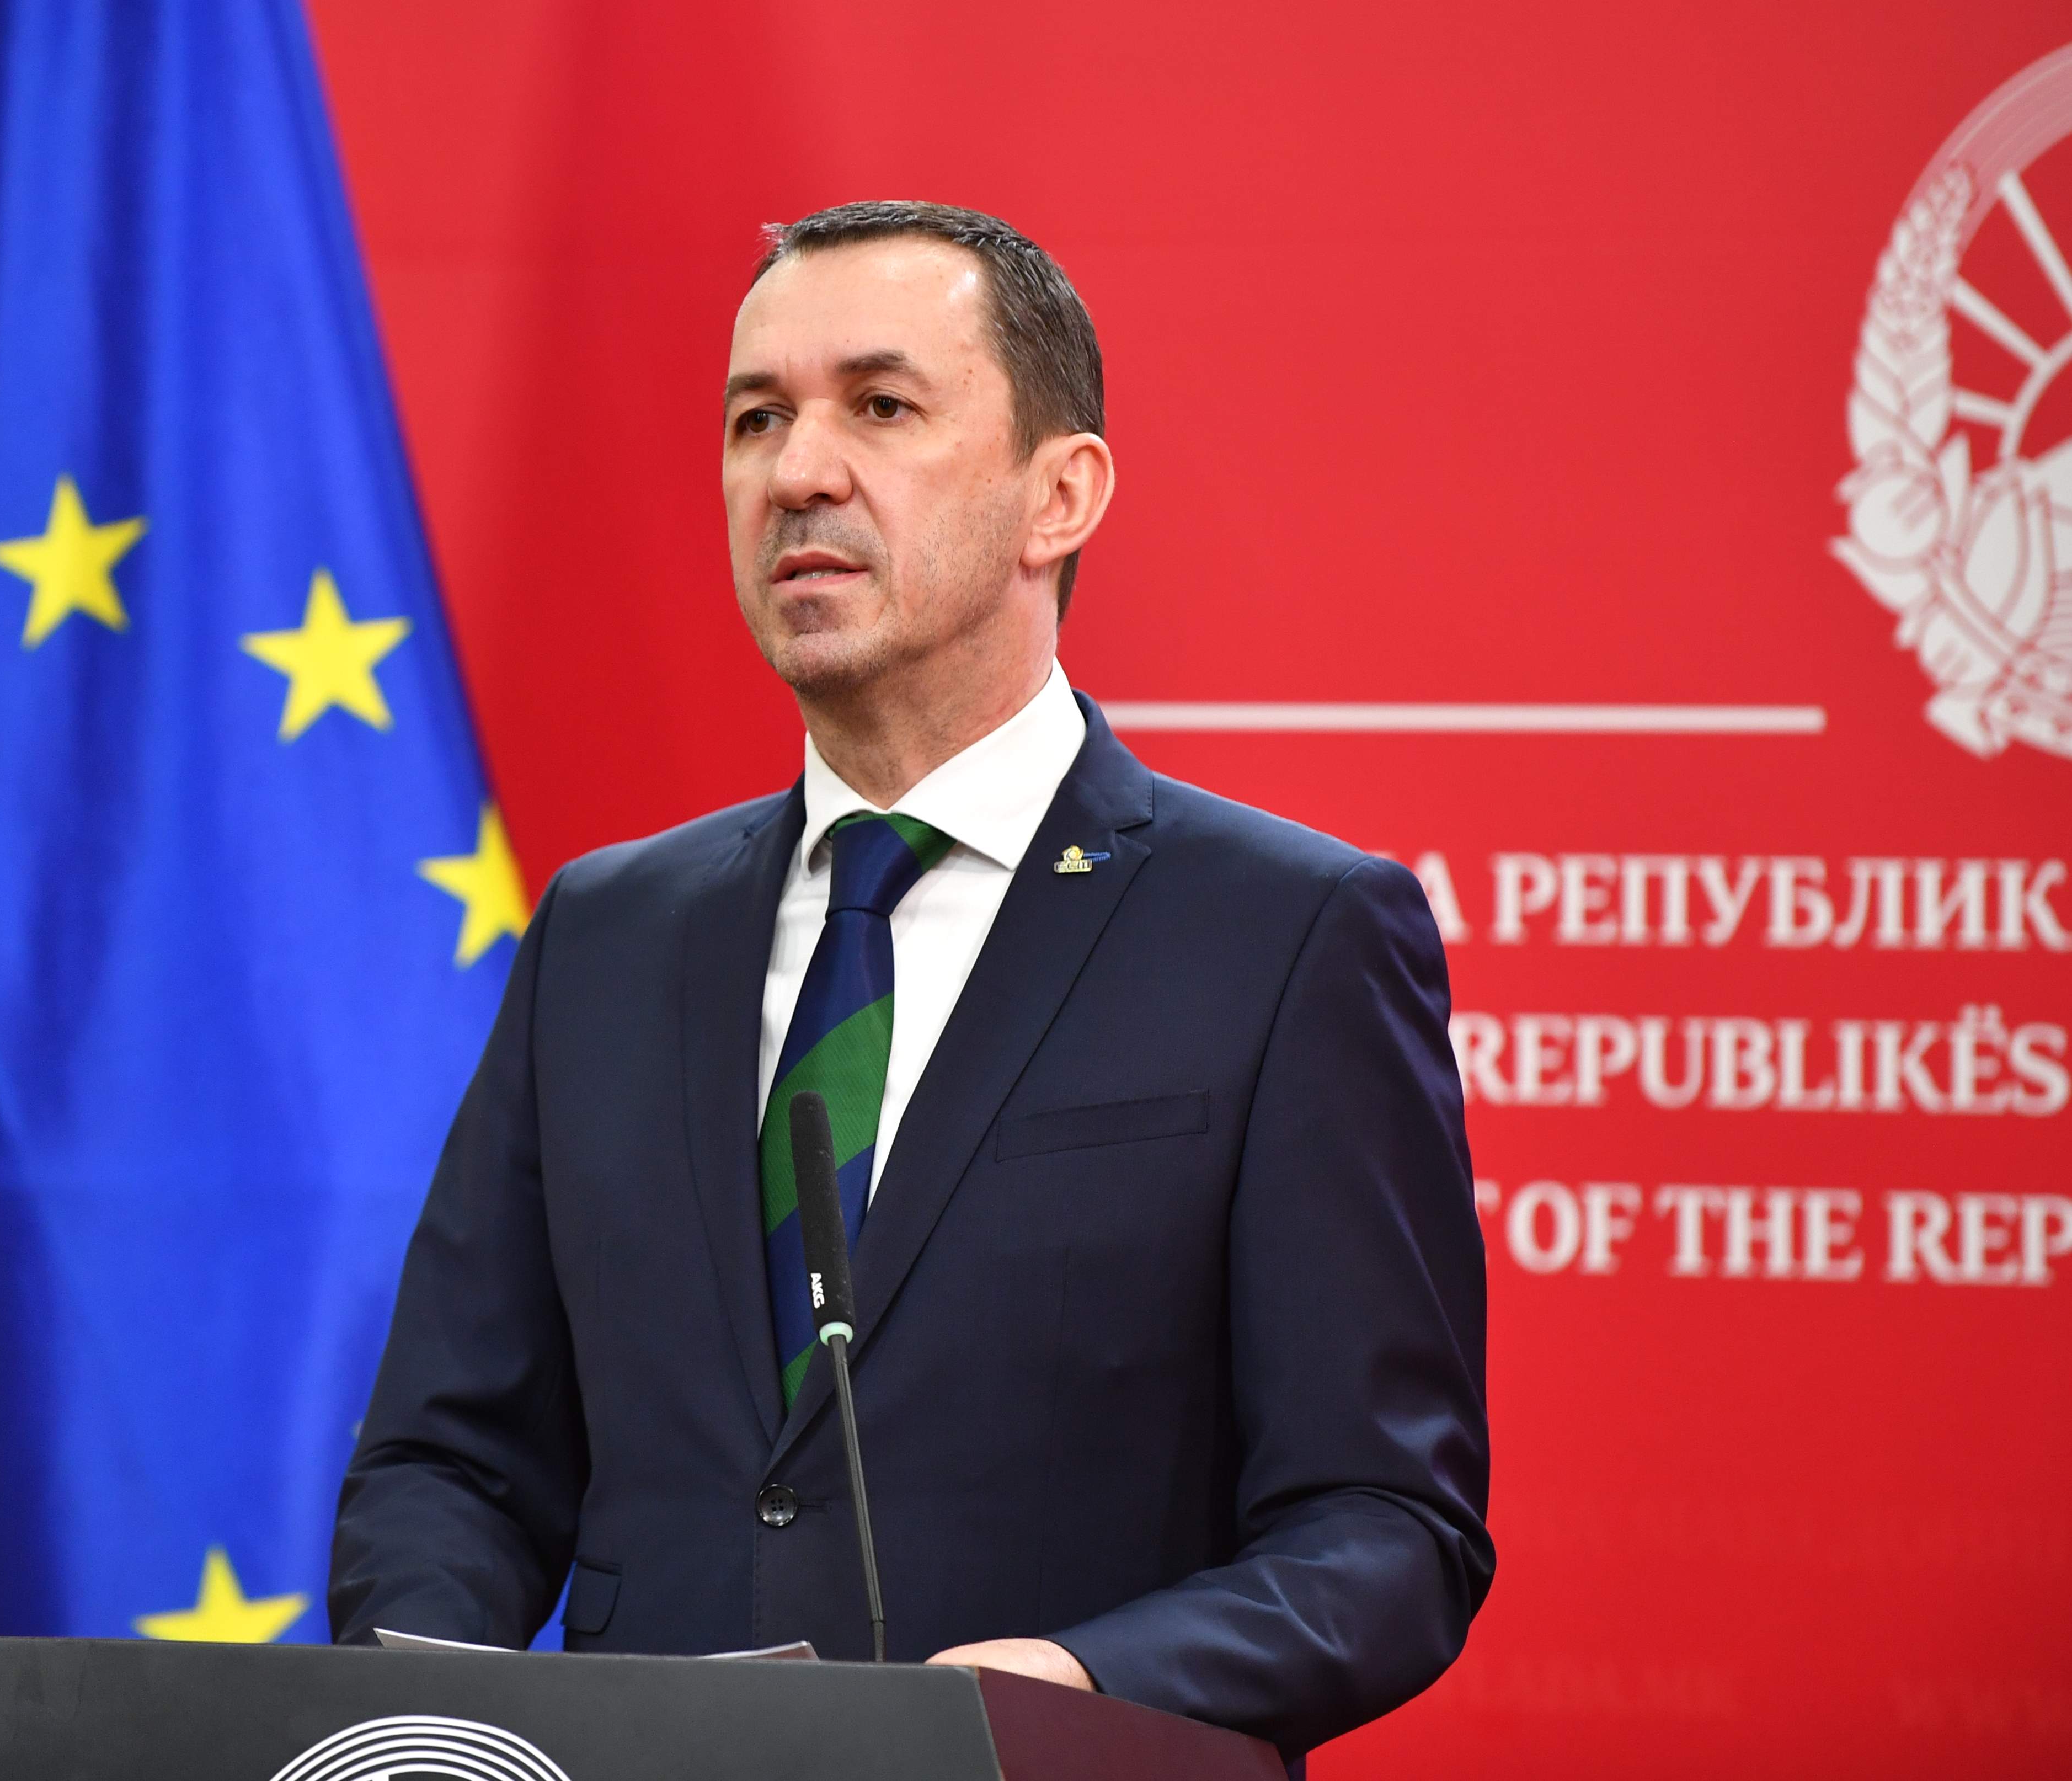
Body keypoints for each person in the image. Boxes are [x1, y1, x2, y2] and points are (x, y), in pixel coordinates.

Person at [328, 200, 1492, 1763]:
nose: (797, 472)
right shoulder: (608, 933)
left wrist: (1074, 1686)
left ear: (1059, 495)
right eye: (757, 419)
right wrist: (432, 1720)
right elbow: (452, 1463)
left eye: (879, 407)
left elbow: (1386, 1528)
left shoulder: (1289, 934)